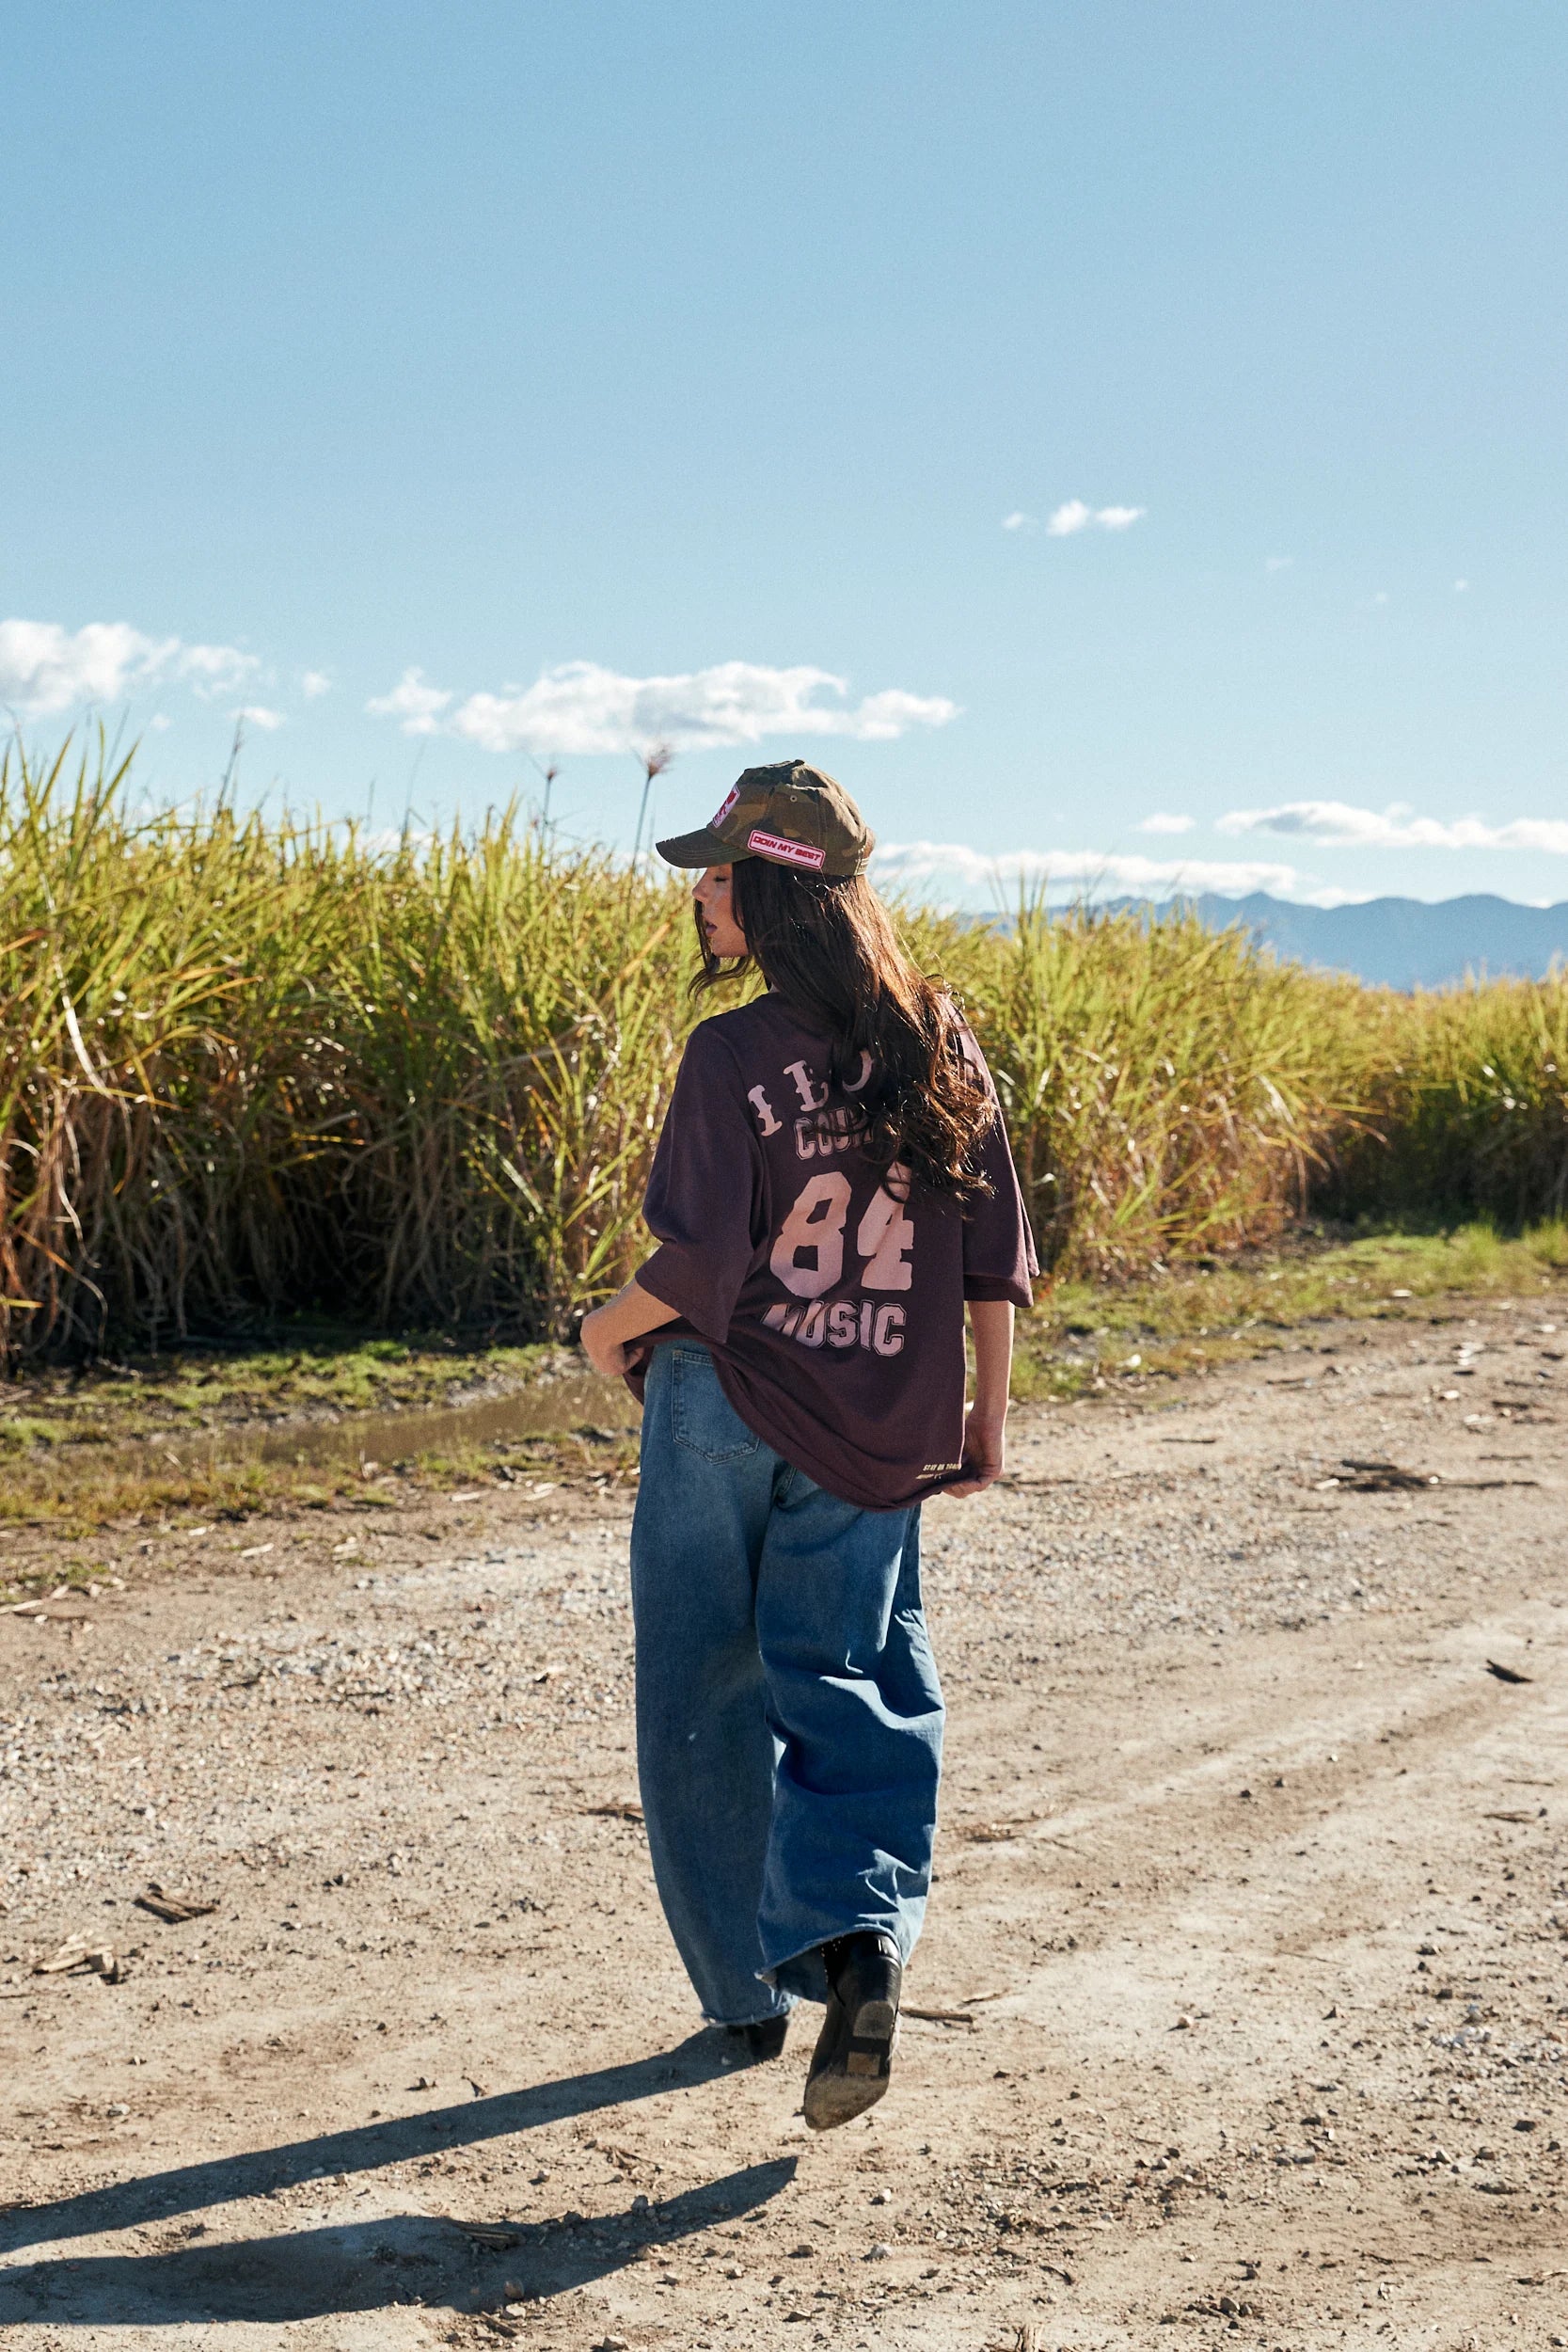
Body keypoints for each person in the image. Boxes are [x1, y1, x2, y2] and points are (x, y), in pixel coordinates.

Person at [578, 759, 1036, 2129]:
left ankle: (741, 1997)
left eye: (719, 875)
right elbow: (994, 1250)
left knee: (702, 1690)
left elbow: (698, 1266)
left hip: (721, 1400)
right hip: (881, 1415)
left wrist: (603, 1331)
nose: (701, 897)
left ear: (776, 892)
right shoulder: (939, 1040)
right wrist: (986, 1413)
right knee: (856, 1681)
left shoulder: (732, 1054)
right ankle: (859, 1950)